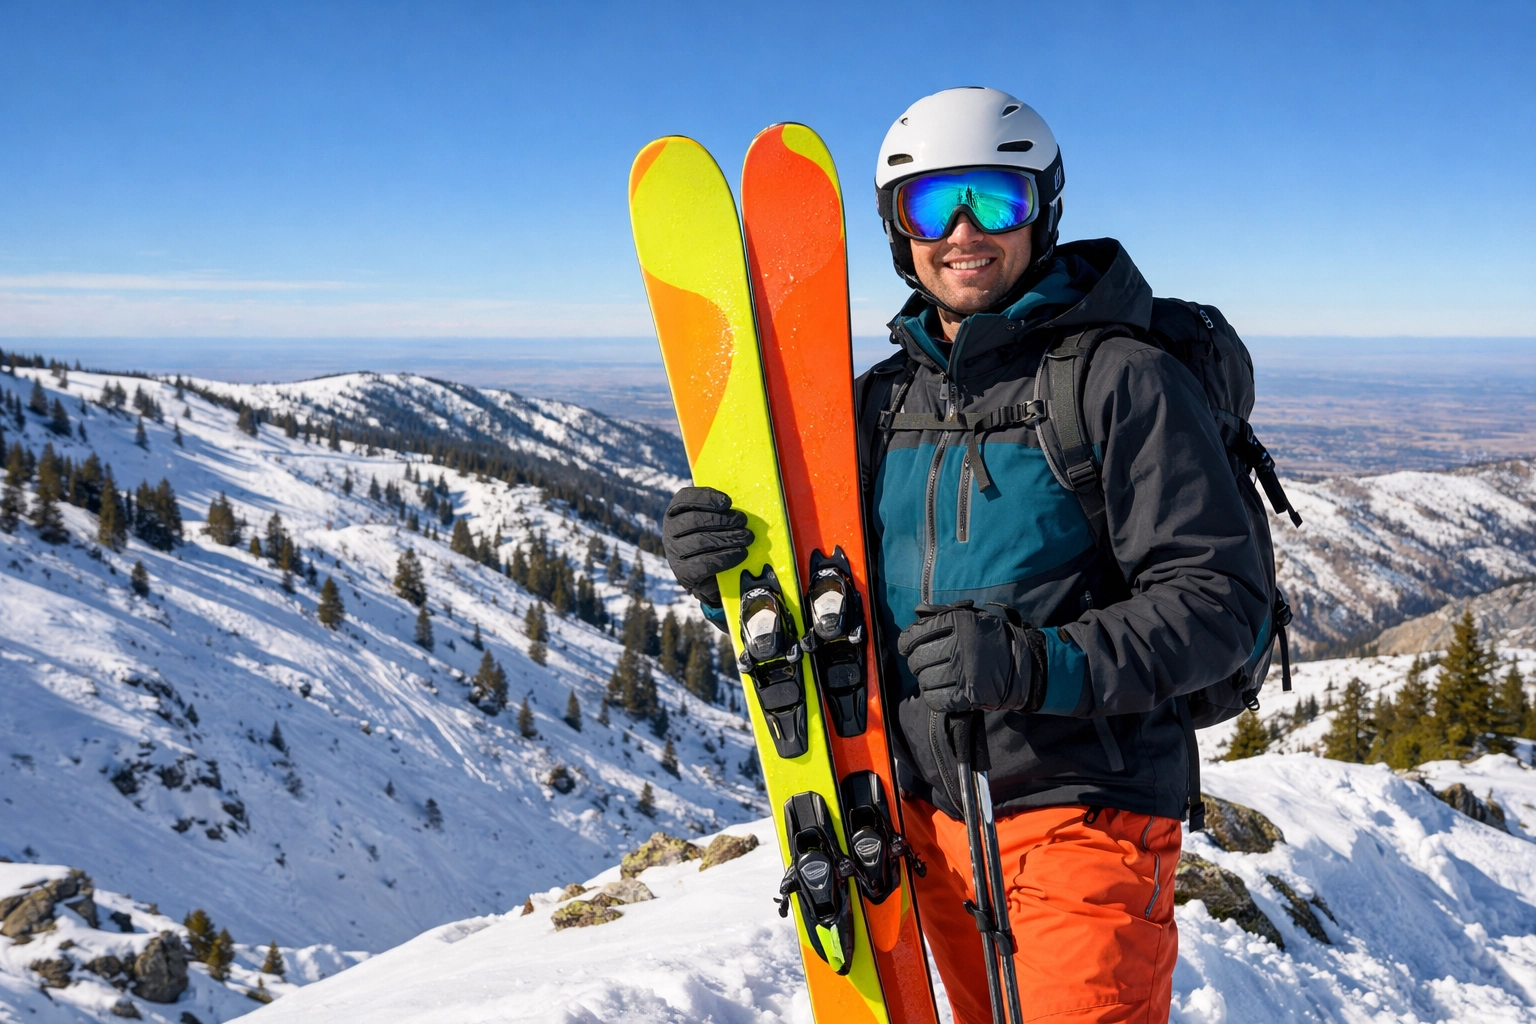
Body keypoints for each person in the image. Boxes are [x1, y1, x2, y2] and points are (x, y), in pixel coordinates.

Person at [661, 87, 1269, 1024]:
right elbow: (827, 603)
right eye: (928, 206)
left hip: (1084, 817)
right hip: (923, 827)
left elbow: (1221, 604)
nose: (961, 231)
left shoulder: (1120, 378)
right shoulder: (874, 407)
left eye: (994, 198)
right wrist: (723, 575)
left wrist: (1034, 664)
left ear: (1044, 209)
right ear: (897, 231)